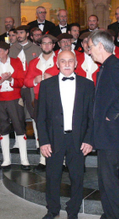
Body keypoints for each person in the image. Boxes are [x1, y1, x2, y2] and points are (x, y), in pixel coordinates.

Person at [38, 50, 94, 219]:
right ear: (57, 64)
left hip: (78, 139)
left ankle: (73, 210)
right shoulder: (46, 85)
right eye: (63, 61)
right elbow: (40, 116)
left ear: (76, 63)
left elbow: (92, 116)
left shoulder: (87, 84)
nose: (67, 64)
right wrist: (44, 141)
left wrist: (89, 139)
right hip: (54, 138)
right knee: (52, 175)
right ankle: (52, 209)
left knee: (77, 177)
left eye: (70, 61)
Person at [88, 30, 119, 219]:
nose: (89, 51)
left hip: (112, 132)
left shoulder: (115, 65)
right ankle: (109, 215)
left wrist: (111, 114)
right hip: (105, 132)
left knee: (110, 180)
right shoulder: (106, 67)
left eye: (91, 47)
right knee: (104, 179)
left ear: (100, 46)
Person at [0, 41, 30, 170]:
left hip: (15, 99)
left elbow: (22, 81)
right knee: (3, 129)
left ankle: (24, 159)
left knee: (20, 128)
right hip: (0, 100)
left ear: (6, 52)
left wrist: (10, 79)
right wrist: (0, 81)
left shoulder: (16, 62)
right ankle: (6, 159)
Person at [25, 34, 59, 171]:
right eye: (44, 43)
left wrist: (54, 79)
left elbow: (69, 77)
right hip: (39, 99)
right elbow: (26, 82)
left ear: (53, 45)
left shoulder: (60, 60)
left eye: (49, 43)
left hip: (56, 99)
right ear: (40, 45)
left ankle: (59, 160)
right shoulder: (34, 62)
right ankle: (43, 159)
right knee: (41, 128)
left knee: (57, 128)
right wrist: (35, 80)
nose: (46, 46)